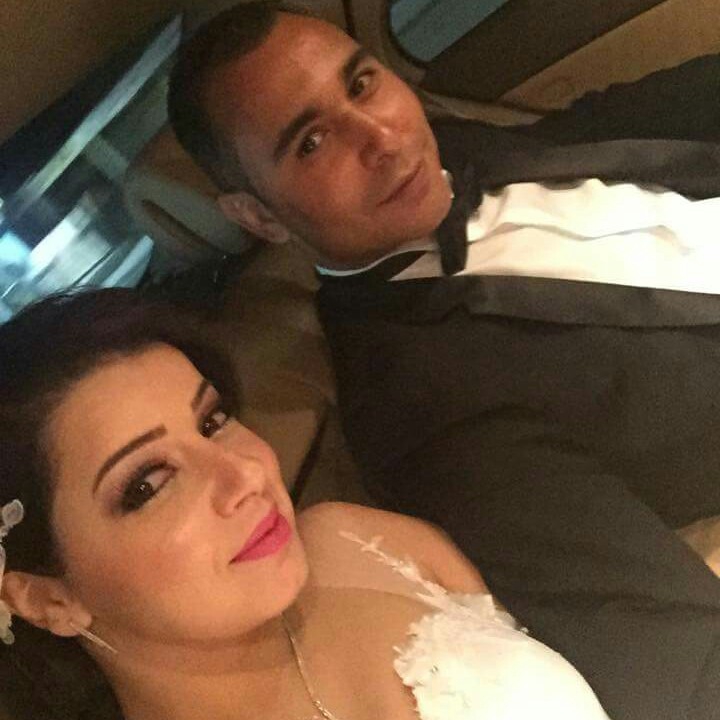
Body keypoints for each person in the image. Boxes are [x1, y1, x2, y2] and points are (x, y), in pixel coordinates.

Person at [165, 3, 720, 718]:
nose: (383, 138)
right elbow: (670, 651)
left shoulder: (451, 148)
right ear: (260, 217)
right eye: (312, 142)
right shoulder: (422, 411)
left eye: (361, 84)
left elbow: (620, 117)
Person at [0, 287, 613, 720]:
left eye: (212, 421)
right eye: (147, 484)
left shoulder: (357, 538)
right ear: (49, 599)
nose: (245, 472)